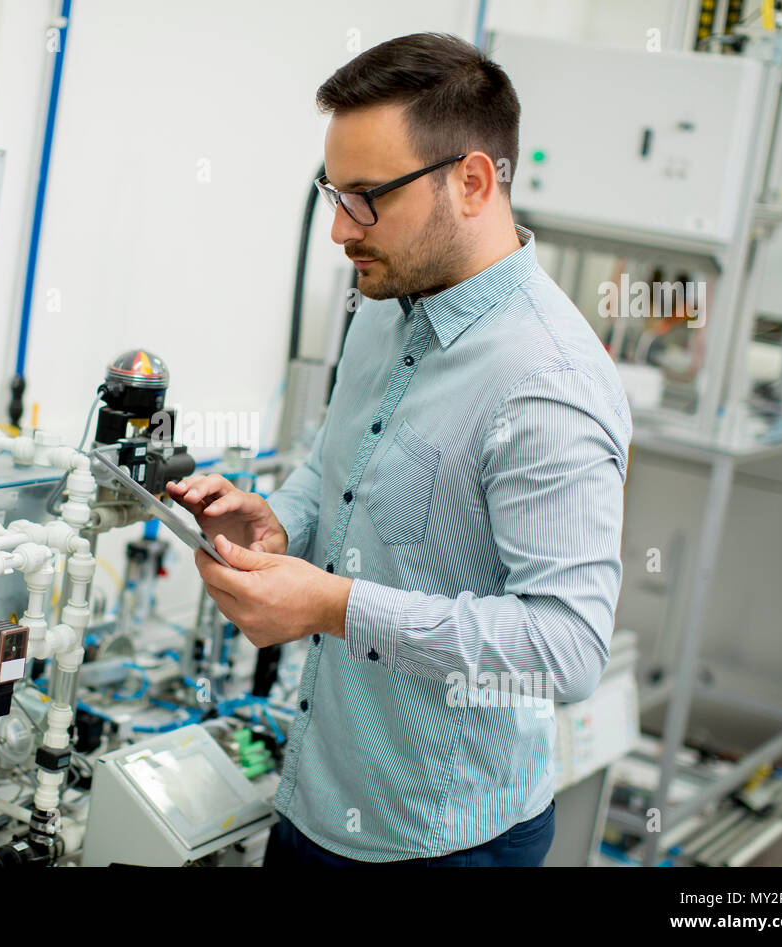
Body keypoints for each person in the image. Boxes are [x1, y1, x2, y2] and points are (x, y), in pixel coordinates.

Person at [167, 32, 632, 866]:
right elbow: (333, 464)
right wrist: (282, 524)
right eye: (333, 193)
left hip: (440, 839)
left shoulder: (547, 382)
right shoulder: (387, 302)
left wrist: (334, 606)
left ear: (474, 181)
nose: (342, 230)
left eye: (367, 196)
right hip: (316, 795)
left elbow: (567, 648)